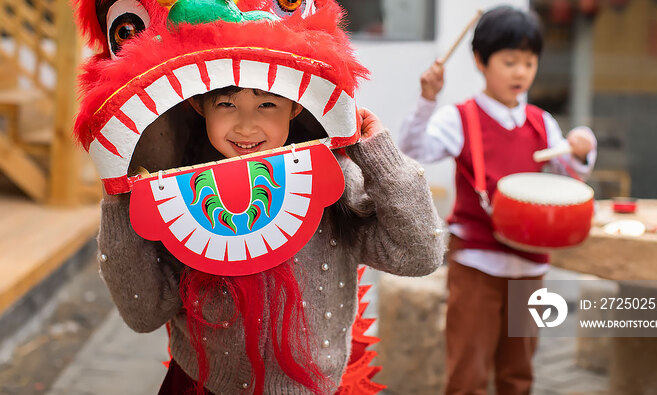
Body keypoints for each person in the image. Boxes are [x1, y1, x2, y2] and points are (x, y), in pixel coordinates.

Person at [97, 85, 446, 395]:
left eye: (266, 105)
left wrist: (377, 155)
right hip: (197, 386)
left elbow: (420, 255)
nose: (246, 126)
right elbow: (142, 314)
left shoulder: (333, 179)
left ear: (295, 105)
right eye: (226, 104)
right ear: (198, 104)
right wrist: (116, 204)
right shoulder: (174, 194)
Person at [398, 5, 597, 395]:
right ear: (480, 61)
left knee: (518, 371)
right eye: (509, 61)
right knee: (467, 372)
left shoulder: (543, 122)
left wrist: (580, 149)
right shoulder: (461, 118)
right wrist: (426, 100)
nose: (520, 72)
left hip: (531, 266)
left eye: (528, 61)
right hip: (476, 263)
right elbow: (413, 149)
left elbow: (569, 177)